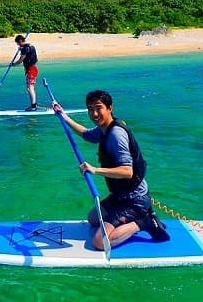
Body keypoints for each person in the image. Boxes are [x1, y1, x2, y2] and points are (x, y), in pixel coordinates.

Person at [53, 90, 169, 250]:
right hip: (121, 196)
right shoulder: (104, 129)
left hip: (135, 200)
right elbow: (86, 135)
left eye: (98, 108)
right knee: (93, 218)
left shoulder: (116, 134)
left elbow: (127, 171)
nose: (94, 113)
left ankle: (144, 222)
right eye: (90, 109)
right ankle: (132, 219)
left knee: (100, 242)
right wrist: (63, 116)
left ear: (110, 108)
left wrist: (95, 170)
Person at [12, 34, 39, 111]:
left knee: (30, 88)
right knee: (29, 88)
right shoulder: (31, 46)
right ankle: (33, 105)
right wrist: (21, 48)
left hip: (31, 70)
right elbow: (28, 50)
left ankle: (34, 106)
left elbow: (20, 60)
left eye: (18, 43)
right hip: (33, 69)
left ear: (20, 41)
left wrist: (13, 64)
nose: (17, 44)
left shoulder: (25, 49)